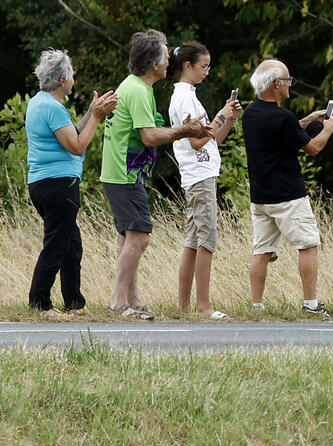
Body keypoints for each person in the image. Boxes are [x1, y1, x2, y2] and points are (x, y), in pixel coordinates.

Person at [101, 29, 215, 320]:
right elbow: (150, 137)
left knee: (130, 238)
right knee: (139, 239)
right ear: (154, 63)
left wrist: (169, 126)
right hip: (125, 174)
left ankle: (131, 298)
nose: (170, 59)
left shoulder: (137, 87)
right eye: (166, 55)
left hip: (122, 172)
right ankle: (117, 303)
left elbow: (147, 129)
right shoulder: (139, 91)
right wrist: (183, 130)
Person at [25, 49, 117, 317]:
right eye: (72, 76)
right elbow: (77, 145)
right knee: (56, 243)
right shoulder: (52, 108)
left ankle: (74, 302)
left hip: (45, 183)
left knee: (71, 243)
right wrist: (97, 117)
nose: (74, 81)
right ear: (63, 78)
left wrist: (90, 111)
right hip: (58, 184)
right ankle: (39, 302)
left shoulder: (38, 102)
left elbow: (71, 132)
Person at [242, 59, 333, 315]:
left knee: (261, 250)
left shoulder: (251, 113)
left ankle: (256, 306)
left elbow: (282, 131)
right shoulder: (282, 117)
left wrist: (306, 120)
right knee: (308, 244)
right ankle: (311, 304)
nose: (289, 85)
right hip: (288, 195)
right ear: (276, 84)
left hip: (261, 196)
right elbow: (313, 148)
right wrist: (327, 129)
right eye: (287, 80)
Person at [167, 42, 242, 320]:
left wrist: (229, 119)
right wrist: (222, 113)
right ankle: (204, 305)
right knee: (207, 239)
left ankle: (185, 305)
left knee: (193, 239)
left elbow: (213, 140)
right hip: (198, 175)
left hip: (202, 172)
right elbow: (197, 141)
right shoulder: (184, 98)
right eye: (204, 67)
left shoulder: (190, 96)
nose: (207, 72)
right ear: (188, 66)